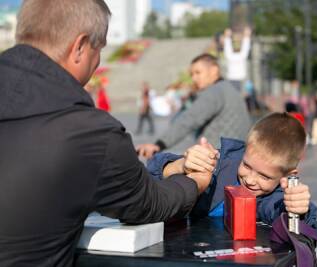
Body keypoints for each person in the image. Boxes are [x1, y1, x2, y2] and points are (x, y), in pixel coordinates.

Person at [0, 1, 212, 266]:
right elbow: (147, 204)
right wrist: (195, 182)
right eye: (97, 50)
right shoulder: (89, 132)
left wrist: (170, 168)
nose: (97, 62)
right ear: (80, 46)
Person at [147, 113, 317, 225]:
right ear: (245, 151)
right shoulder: (221, 163)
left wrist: (297, 208)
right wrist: (181, 165)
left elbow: (278, 213)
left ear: (288, 177)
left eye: (264, 176)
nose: (250, 180)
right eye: (247, 165)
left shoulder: (272, 195)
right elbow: (152, 168)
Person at [137, 54, 252, 159]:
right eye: (192, 74)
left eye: (198, 73)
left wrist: (159, 144)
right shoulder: (229, 89)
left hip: (216, 160)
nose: (194, 78)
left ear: (214, 70)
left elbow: (189, 120)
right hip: (236, 157)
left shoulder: (214, 91)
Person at [223, 27, 252, 91]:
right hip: (235, 79)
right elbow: (246, 46)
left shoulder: (235, 56)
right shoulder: (235, 56)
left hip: (239, 79)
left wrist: (227, 36)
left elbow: (245, 46)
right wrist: (247, 35)